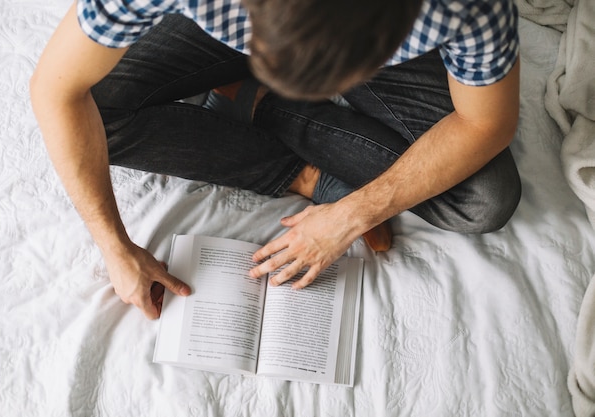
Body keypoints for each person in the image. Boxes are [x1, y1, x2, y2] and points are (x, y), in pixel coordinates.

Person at [30, 0, 521, 320]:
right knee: (100, 112)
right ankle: (301, 168)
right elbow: (58, 91)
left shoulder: (462, 7)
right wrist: (114, 246)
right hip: (223, 30)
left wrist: (353, 213)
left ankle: (260, 104)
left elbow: (486, 124)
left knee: (486, 200)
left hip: (376, 44)